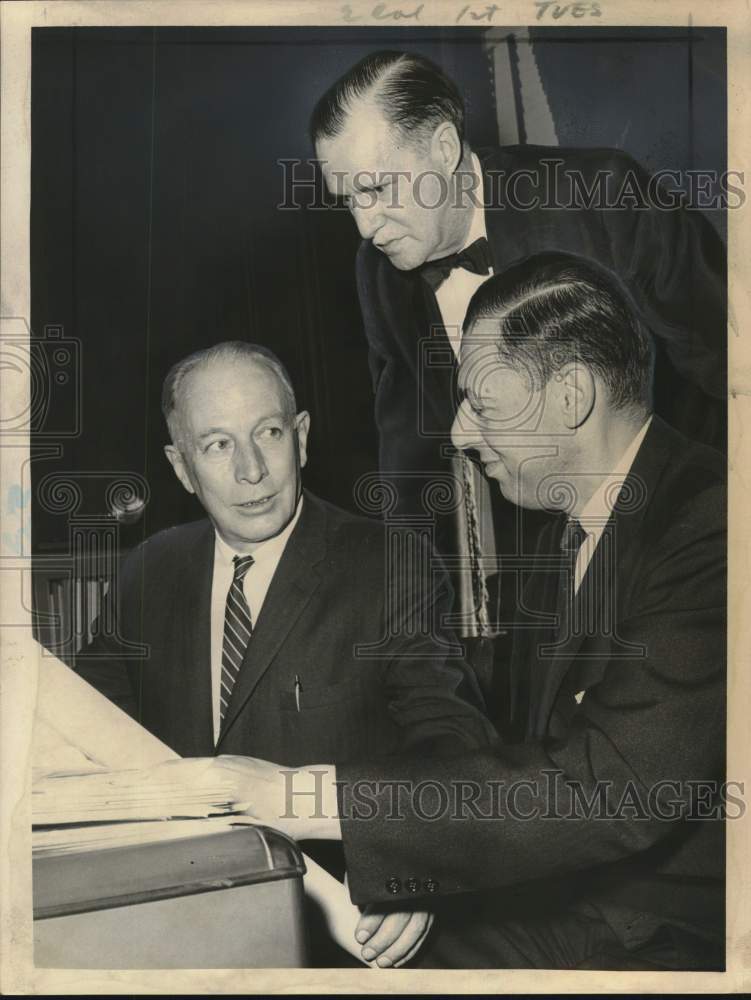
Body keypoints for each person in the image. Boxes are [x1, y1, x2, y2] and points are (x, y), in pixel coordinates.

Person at [208, 254, 726, 971]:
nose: (457, 434)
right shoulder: (559, 531)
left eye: (480, 404)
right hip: (576, 902)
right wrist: (418, 866)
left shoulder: (715, 526)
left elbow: (609, 791)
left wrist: (284, 795)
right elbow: (512, 765)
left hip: (685, 937)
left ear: (570, 396)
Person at [309, 49, 727, 720]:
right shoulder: (378, 271)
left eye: (377, 189)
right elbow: (408, 457)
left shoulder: (601, 197)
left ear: (443, 145)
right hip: (532, 581)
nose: (363, 224)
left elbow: (728, 366)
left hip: (675, 541)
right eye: (346, 200)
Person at [73, 340, 496, 966]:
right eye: (217, 444)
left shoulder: (388, 565)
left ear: (300, 438)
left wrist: (412, 866)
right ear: (181, 466)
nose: (252, 471)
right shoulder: (147, 570)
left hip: (332, 937)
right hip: (170, 923)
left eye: (267, 432)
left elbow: (458, 745)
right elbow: (80, 718)